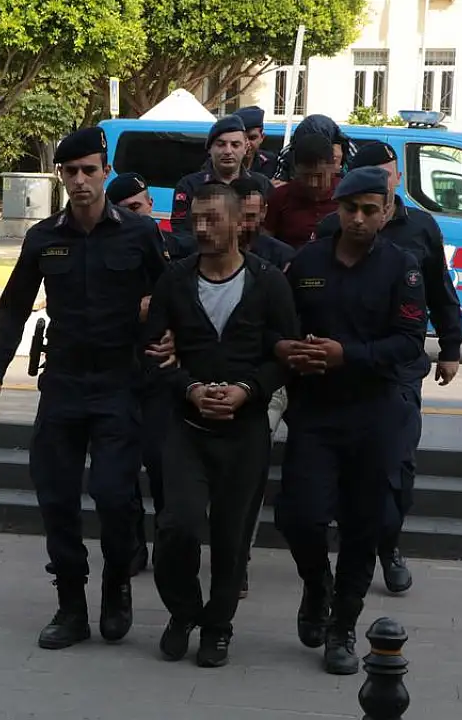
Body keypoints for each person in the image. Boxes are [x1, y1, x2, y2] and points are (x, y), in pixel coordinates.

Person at [0, 127, 168, 650]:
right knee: (56, 495)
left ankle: (117, 586)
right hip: (63, 382)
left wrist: (167, 332)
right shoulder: (43, 237)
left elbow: (172, 294)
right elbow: (14, 307)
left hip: (120, 382)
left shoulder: (139, 233)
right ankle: (70, 605)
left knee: (113, 494)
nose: (81, 180)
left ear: (105, 171)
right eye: (71, 171)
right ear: (60, 176)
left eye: (89, 170)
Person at [273, 167, 427, 675]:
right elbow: (280, 323)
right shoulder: (308, 261)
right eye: (349, 209)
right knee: (299, 517)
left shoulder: (402, 266)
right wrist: (286, 348)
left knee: (364, 525)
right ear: (336, 209)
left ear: (385, 213)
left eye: (368, 210)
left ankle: (342, 627)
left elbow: (408, 343)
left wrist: (349, 355)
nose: (358, 219)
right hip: (315, 412)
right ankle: (316, 585)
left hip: (374, 412)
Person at [143, 182, 298, 668]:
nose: (203, 228)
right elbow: (152, 354)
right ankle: (183, 611)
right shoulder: (175, 280)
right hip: (186, 428)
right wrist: (189, 388)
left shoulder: (268, 282)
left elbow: (285, 356)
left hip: (245, 431)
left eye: (213, 219)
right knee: (178, 525)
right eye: (196, 219)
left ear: (238, 222)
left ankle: (218, 625)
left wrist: (248, 390)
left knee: (232, 539)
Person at [314, 141, 462, 594]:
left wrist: (451, 347)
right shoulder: (332, 228)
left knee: (395, 465)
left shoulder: (420, 226)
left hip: (398, 368)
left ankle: (389, 545)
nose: (386, 181)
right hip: (341, 371)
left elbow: (440, 290)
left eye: (391, 172)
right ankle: (347, 546)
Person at [227, 176, 296, 600]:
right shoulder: (202, 258)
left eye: (254, 216)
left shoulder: (283, 260)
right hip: (218, 376)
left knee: (247, 468)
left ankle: (238, 558)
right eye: (241, 216)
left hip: (268, 380)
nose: (247, 225)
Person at [106, 171, 173, 575]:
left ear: (151, 204)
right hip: (119, 370)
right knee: (122, 466)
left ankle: (167, 542)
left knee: (164, 464)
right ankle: (132, 544)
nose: (137, 214)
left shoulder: (175, 247)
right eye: (127, 209)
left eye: (140, 205)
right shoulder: (106, 252)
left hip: (162, 373)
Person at [169, 114, 273, 255]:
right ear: (209, 148)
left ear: (246, 148)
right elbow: (181, 234)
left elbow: (270, 230)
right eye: (221, 144)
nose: (228, 151)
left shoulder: (262, 184)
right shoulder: (189, 185)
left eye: (235, 145)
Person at [265, 134, 340, 250]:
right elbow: (265, 243)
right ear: (295, 170)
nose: (313, 183)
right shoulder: (280, 197)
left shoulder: (347, 195)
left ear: (333, 167)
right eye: (305, 176)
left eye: (319, 176)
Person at [271, 114, 358, 183]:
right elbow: (278, 182)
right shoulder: (289, 151)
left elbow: (359, 180)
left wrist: (337, 171)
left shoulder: (349, 150)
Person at [236, 106, 278, 178]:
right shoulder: (224, 163)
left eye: (252, 138)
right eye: (242, 138)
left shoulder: (272, 162)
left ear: (262, 137)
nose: (247, 143)